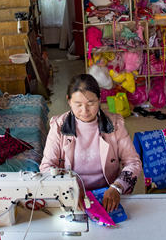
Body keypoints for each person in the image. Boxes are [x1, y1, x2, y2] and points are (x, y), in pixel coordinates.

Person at [40, 74, 142, 212]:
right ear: (69, 101)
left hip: (108, 194)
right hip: (73, 196)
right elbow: (47, 166)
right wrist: (69, 188)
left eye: (91, 103)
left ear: (99, 100)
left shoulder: (115, 124)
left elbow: (133, 162)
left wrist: (117, 187)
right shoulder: (59, 126)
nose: (85, 111)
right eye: (78, 104)